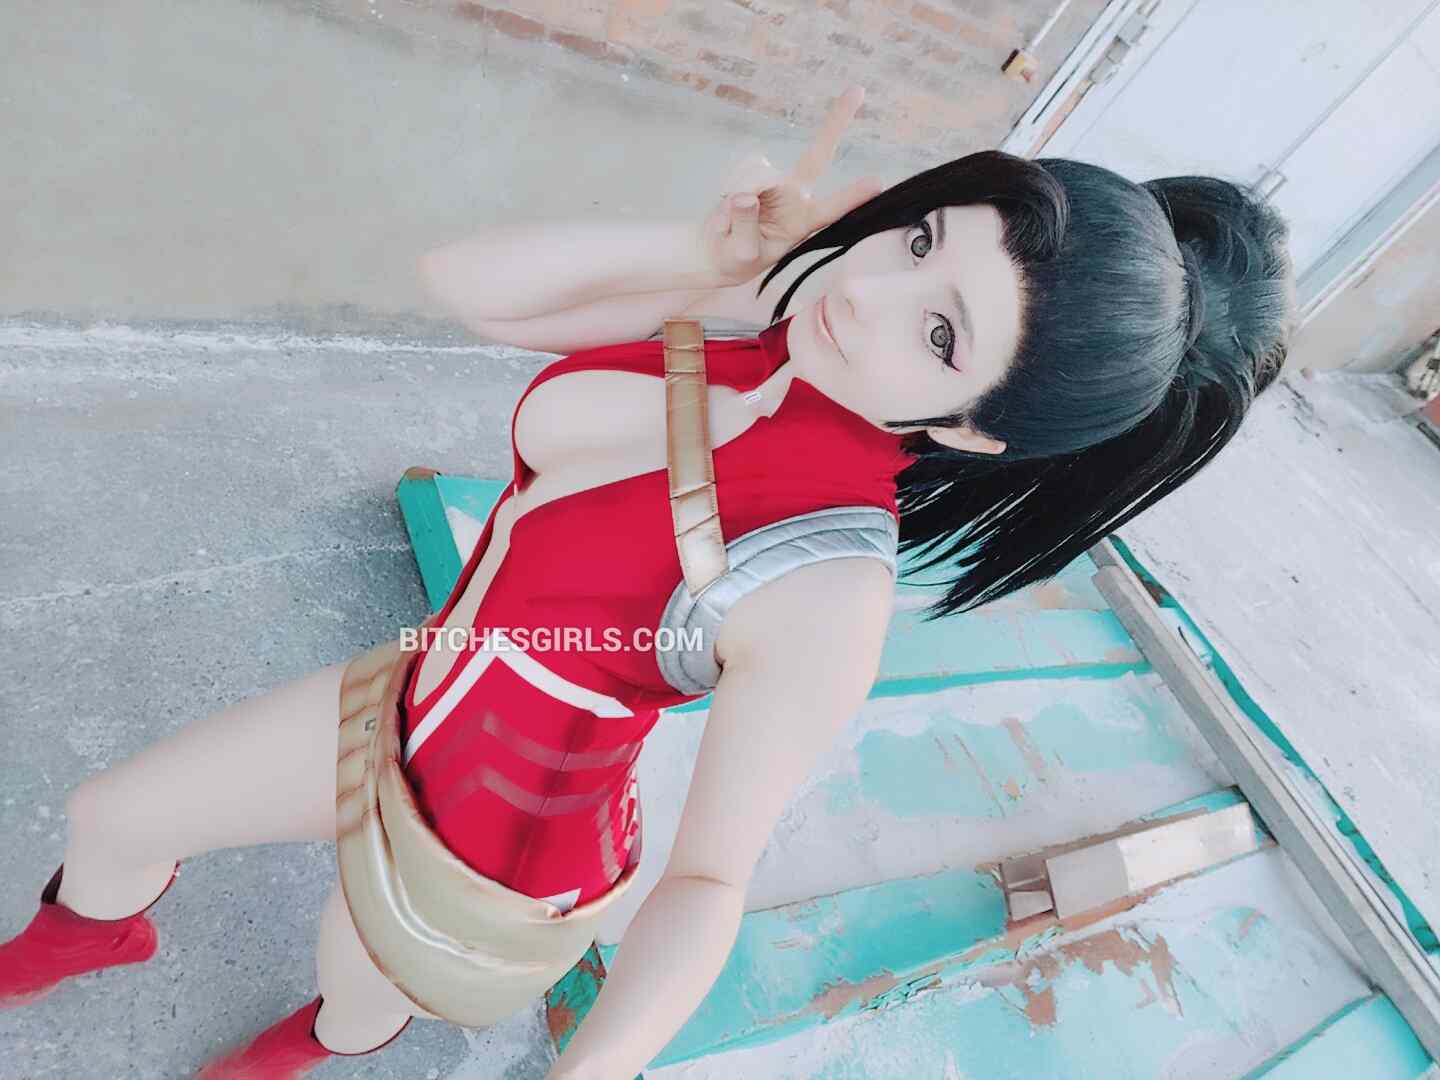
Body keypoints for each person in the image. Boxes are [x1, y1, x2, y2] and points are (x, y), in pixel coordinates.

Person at [0, 85, 1296, 1078]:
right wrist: (704, 251)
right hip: (407, 691)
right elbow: (472, 291)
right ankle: (89, 936)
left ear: (973, 430)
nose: (872, 295)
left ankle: (331, 1039)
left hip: (501, 841)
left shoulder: (824, 588)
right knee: (117, 814)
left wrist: (596, 1071)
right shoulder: (751, 334)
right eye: (918, 242)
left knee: (352, 980)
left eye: (942, 330)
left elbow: (710, 881)